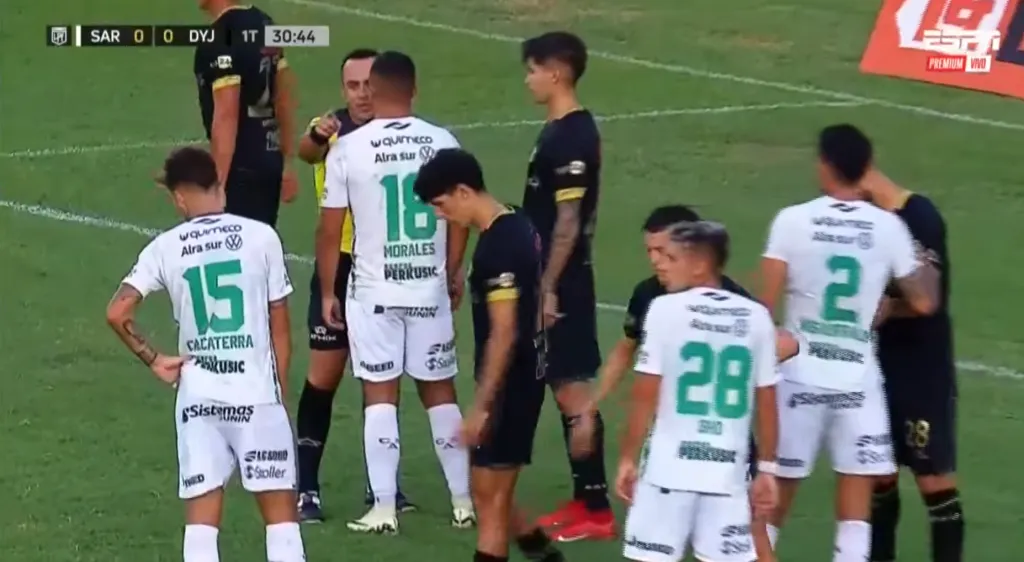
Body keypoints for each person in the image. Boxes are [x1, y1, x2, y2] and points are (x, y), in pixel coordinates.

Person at [104, 147, 305, 561]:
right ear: (219, 184)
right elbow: (280, 327)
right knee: (281, 523)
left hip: (199, 401)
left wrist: (154, 359)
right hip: (257, 396)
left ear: (179, 197)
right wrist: (279, 394)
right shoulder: (261, 236)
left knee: (201, 529)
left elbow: (117, 311)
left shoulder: (166, 247)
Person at [759, 124, 940, 562]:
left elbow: (762, 307)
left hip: (799, 374)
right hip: (858, 379)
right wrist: (887, 304)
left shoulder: (792, 220)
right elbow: (923, 301)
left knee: (776, 493)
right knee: (856, 499)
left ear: (824, 165)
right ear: (865, 169)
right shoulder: (888, 228)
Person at [578, 204, 798, 562]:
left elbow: (643, 395)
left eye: (668, 254)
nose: (658, 262)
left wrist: (628, 459)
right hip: (727, 465)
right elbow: (770, 392)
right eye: (652, 252)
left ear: (697, 261)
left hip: (671, 466)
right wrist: (769, 470)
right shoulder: (751, 314)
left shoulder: (666, 310)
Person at [315, 51, 473, 534]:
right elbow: (463, 213)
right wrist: (452, 271)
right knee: (441, 394)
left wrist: (327, 290)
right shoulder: (443, 143)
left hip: (374, 290)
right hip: (428, 290)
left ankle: (383, 509)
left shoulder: (350, 148)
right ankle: (463, 502)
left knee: (379, 395)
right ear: (414, 90)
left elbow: (330, 229)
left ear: (374, 92)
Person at [412, 147, 566, 562]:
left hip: (509, 384)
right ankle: (549, 559)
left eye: (441, 205)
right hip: (526, 374)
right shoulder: (519, 223)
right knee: (495, 492)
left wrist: (481, 407)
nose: (441, 216)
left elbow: (503, 333)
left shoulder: (496, 248)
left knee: (490, 502)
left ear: (463, 191)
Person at [293, 47, 416, 523]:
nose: (363, 93)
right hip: (340, 267)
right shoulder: (333, 128)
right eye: (354, 85)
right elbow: (306, 151)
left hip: (386, 266)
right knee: (324, 376)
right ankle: (307, 488)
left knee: (381, 381)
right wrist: (314, 134)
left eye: (370, 84)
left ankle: (382, 486)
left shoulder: (401, 131)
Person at [518, 30, 613, 541]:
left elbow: (569, 220)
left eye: (532, 70)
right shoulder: (556, 129)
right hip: (552, 277)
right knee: (562, 387)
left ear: (555, 72)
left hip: (565, 282)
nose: (528, 79)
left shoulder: (573, 135)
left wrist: (549, 286)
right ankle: (585, 500)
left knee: (574, 390)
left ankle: (596, 510)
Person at [861, 171, 963, 562]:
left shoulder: (919, 218)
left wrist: (883, 311)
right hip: (878, 367)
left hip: (922, 371)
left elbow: (927, 300)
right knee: (879, 476)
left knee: (933, 481)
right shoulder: (871, 221)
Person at [195, 0, 298, 227]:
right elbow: (284, 96)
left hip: (240, 167)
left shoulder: (220, 37)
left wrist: (217, 185)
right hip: (270, 158)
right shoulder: (265, 23)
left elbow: (226, 114)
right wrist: (287, 162)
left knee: (235, 250)